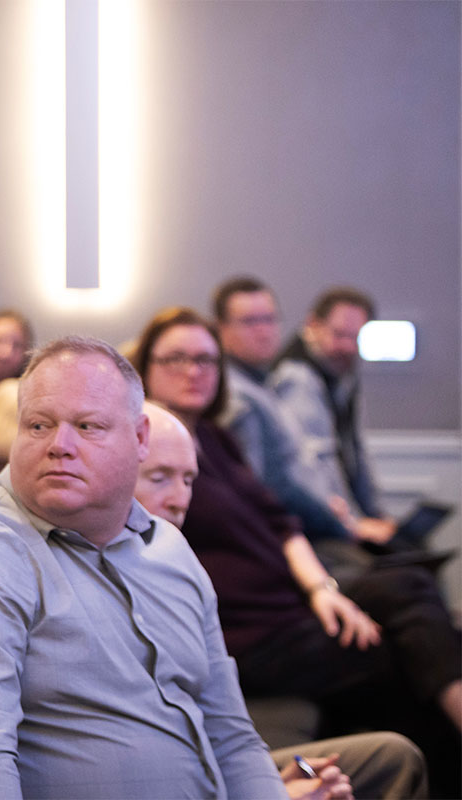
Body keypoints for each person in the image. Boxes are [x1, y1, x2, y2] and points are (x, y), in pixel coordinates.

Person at [0, 335, 286, 799]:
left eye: (87, 426)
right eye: (38, 426)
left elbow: (233, 738)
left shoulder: (169, 548)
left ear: (140, 438)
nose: (59, 445)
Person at [132, 306, 461, 797]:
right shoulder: (140, 446)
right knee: (402, 661)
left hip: (290, 603)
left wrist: (322, 589)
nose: (193, 370)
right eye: (175, 357)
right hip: (249, 631)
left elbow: (280, 521)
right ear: (145, 368)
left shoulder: (216, 439)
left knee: (409, 589)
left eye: (205, 359)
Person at [212, 277, 393, 545]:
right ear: (220, 329)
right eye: (250, 322)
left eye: (270, 319)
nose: (264, 331)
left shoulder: (260, 384)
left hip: (307, 528)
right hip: (293, 535)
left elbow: (350, 455)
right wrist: (350, 525)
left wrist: (369, 515)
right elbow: (265, 490)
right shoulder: (249, 393)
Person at [271, 287, 391, 529]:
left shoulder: (341, 373)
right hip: (321, 525)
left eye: (355, 337)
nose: (347, 347)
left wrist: (376, 514)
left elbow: (354, 451)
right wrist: (356, 524)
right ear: (313, 325)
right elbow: (315, 464)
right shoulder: (297, 377)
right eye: (339, 335)